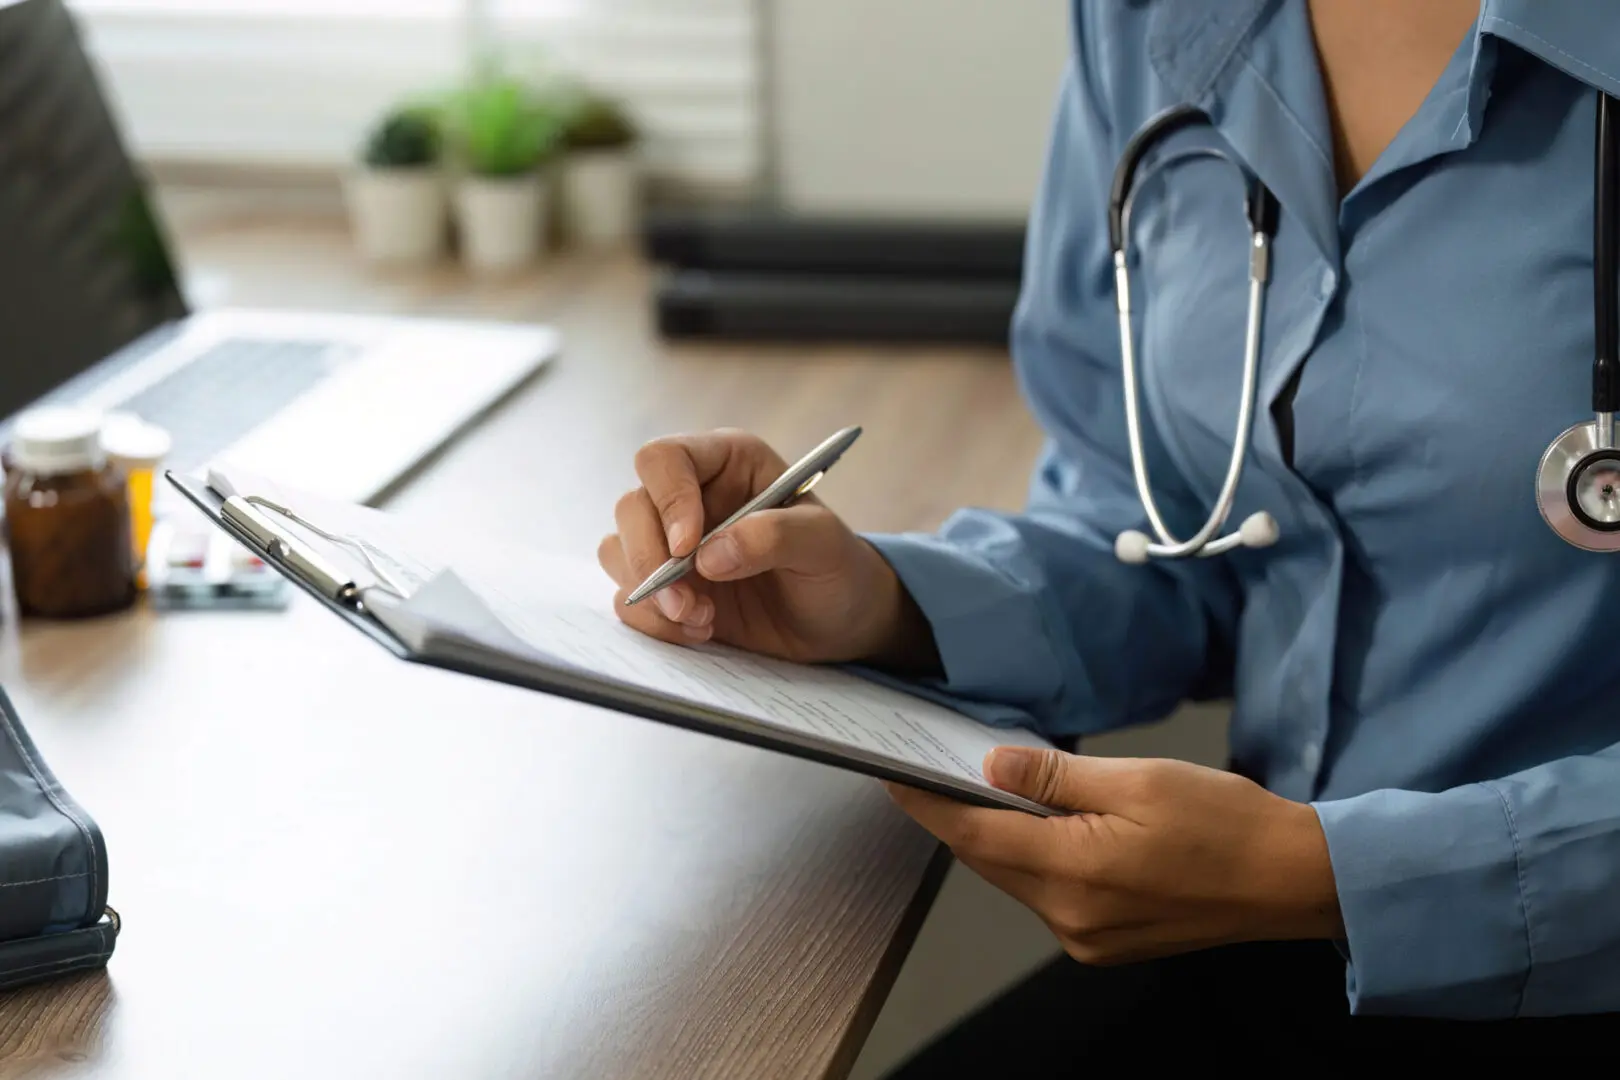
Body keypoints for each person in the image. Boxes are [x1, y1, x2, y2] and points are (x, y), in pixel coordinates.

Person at [598, 0, 1620, 1060]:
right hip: (1270, 941)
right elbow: (1164, 528)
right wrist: (882, 602)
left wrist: (1328, 877)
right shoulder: (1147, 22)